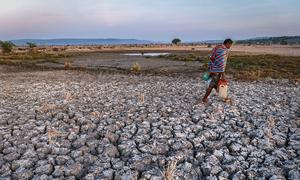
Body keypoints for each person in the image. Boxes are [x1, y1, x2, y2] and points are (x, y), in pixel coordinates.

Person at [201, 39, 233, 103]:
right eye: (230, 45)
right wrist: (223, 74)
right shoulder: (224, 50)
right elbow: (221, 63)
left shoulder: (216, 47)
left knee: (216, 85)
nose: (230, 46)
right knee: (212, 85)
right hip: (217, 71)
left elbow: (211, 58)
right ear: (227, 43)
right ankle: (204, 99)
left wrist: (210, 69)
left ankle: (224, 97)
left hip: (212, 69)